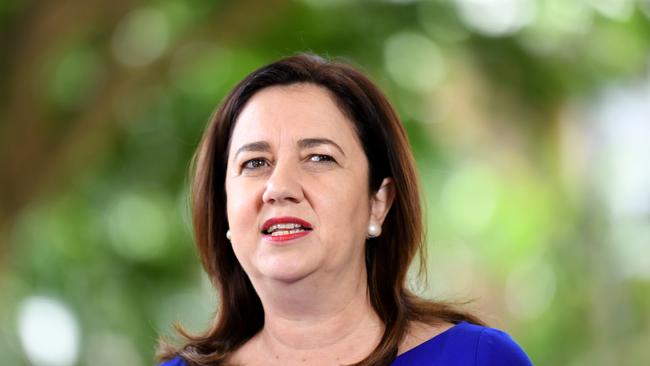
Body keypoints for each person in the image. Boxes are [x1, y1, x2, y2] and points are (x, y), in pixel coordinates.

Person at [156, 54, 533, 366]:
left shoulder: (479, 359)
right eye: (255, 163)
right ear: (224, 208)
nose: (279, 188)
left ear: (378, 202)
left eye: (319, 157)